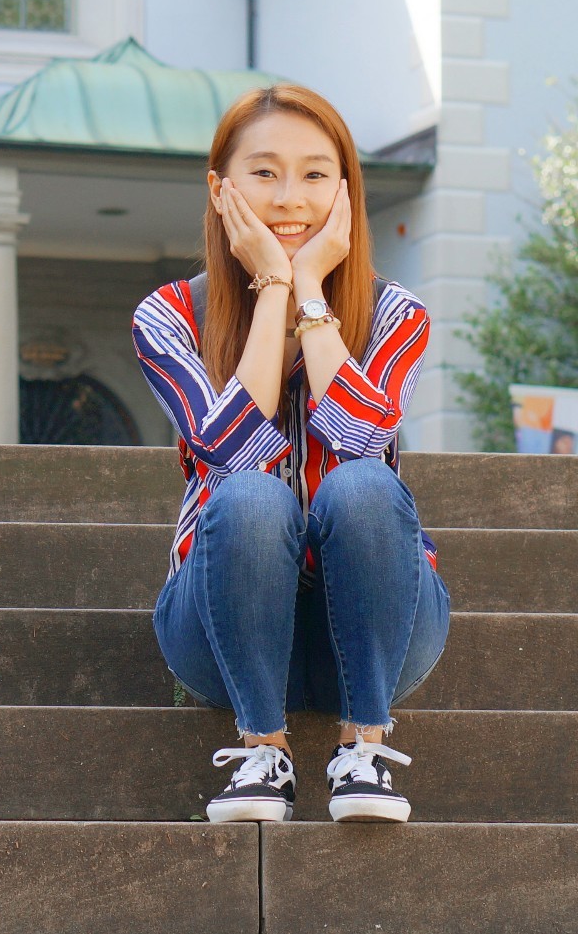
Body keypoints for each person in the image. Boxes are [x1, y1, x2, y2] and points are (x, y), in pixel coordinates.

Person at [130, 83, 449, 823]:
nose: (289, 198)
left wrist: (312, 293)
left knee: (364, 487)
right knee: (249, 496)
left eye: (314, 174)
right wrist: (274, 284)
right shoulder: (169, 315)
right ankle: (261, 752)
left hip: (378, 624)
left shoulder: (397, 312)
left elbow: (359, 438)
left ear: (345, 190)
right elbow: (231, 451)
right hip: (221, 627)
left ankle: (364, 745)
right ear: (221, 189)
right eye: (264, 173)